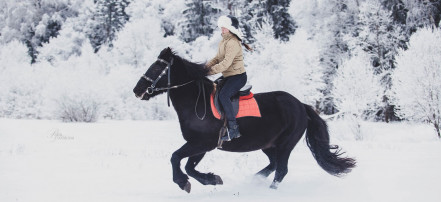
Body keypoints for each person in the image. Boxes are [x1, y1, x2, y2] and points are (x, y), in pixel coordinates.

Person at [205, 15, 252, 141]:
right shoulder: (224, 41)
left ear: (231, 28)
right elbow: (217, 58)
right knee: (212, 89)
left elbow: (226, 63)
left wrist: (209, 71)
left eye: (224, 27)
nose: (222, 29)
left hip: (238, 77)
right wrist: (204, 67)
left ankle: (233, 128)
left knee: (223, 95)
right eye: (221, 27)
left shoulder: (233, 43)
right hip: (228, 76)